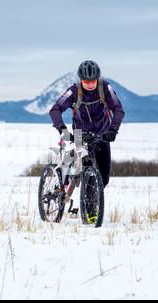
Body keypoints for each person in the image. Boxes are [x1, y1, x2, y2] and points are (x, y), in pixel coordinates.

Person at [49, 60, 125, 199]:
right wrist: (63, 130)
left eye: (92, 81)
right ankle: (65, 188)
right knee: (85, 167)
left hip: (102, 135)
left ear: (97, 79)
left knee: (104, 179)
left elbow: (118, 110)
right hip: (80, 134)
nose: (90, 84)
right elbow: (55, 110)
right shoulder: (74, 91)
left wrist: (113, 130)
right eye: (86, 81)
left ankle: (92, 203)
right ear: (81, 80)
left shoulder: (105, 89)